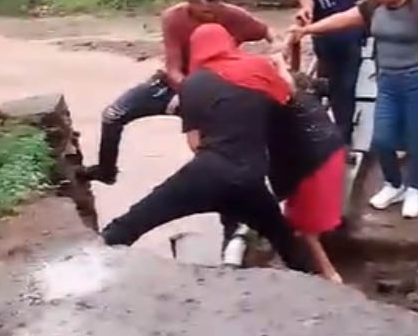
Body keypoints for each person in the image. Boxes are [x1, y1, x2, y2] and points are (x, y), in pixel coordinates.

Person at [101, 24, 311, 272]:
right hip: (250, 180)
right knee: (286, 242)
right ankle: (321, 287)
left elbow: (195, 144)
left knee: (133, 222)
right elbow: (287, 102)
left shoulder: (193, 83)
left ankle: (83, 265)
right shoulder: (261, 70)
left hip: (205, 175)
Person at [290, 0, 418, 219]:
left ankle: (415, 188)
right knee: (382, 139)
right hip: (388, 82)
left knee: (416, 138)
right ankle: (393, 184)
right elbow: (343, 19)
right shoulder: (373, 8)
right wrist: (307, 30)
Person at [80, 0, 273, 184]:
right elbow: (173, 67)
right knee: (112, 115)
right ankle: (106, 171)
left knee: (216, 146)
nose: (211, 18)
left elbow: (265, 31)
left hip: (218, 89)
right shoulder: (174, 18)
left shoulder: (232, 15)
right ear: (191, 3)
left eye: (215, 13)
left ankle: (230, 200)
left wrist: (278, 47)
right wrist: (190, 92)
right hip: (180, 84)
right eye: (205, 13)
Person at [276, 0, 369, 145]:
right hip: (322, 31)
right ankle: (336, 132)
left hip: (349, 26)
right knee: (332, 83)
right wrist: (306, 8)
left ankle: (343, 136)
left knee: (347, 83)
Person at [268, 58, 347, 283]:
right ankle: (316, 262)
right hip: (332, 154)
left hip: (315, 165)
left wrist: (279, 64)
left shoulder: (285, 101)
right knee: (307, 217)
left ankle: (330, 274)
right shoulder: (309, 100)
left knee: (305, 225)